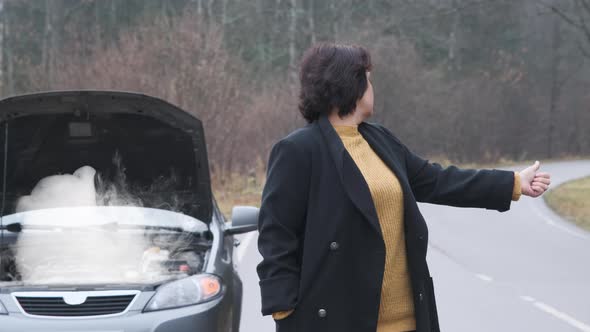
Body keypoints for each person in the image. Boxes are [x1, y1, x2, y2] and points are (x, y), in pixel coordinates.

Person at [256, 42, 551, 332]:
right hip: (336, 319)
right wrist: (284, 309)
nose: (373, 89)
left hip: (407, 319)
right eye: (368, 80)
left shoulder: (380, 140)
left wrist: (513, 183)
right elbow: (277, 234)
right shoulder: (298, 150)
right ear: (350, 85)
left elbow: (438, 180)